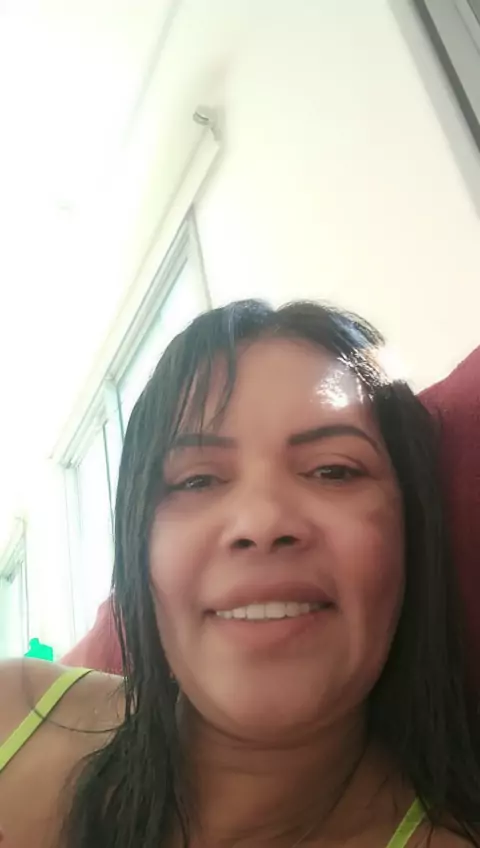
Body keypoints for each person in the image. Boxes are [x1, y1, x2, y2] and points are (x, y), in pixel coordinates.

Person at [0, 300, 479, 848]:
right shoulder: (11, 708)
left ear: (412, 530)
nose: (262, 522)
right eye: (197, 481)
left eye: (333, 470)